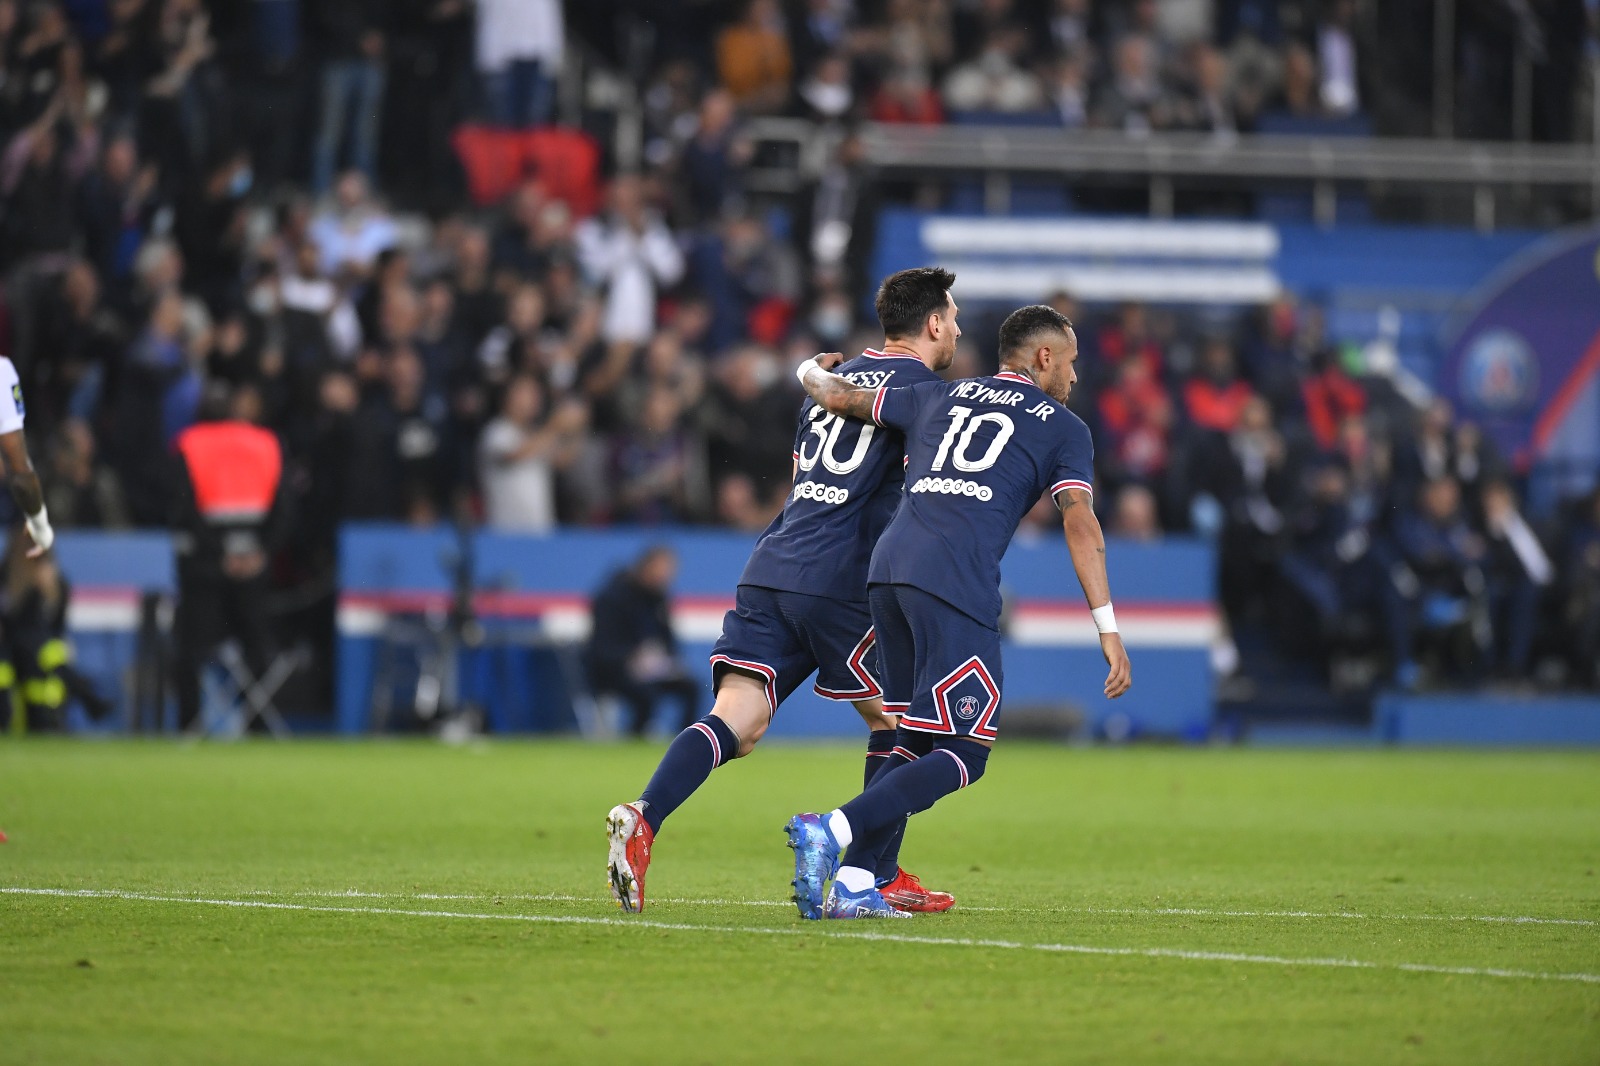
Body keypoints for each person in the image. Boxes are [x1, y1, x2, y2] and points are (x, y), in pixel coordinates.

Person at [604, 267, 958, 916]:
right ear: (934, 323)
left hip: (772, 563)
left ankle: (645, 815)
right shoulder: (926, 392)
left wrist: (804, 372)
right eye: (953, 318)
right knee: (905, 724)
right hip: (842, 581)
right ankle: (869, 877)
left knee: (738, 718)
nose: (957, 329)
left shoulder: (824, 378)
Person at [787, 303, 1132, 919]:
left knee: (910, 740)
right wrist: (1108, 627)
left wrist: (806, 370)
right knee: (965, 752)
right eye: (1072, 362)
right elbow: (1080, 521)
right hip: (955, 580)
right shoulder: (1063, 426)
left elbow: (836, 396)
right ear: (1045, 357)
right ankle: (832, 831)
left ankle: (857, 883)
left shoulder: (936, 395)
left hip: (888, 573)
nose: (1075, 378)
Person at [170, 385, 285, 731]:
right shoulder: (265, 443)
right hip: (253, 568)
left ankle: (191, 726)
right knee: (257, 650)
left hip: (206, 568)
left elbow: (182, 511)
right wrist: (260, 552)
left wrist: (221, 555)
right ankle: (258, 726)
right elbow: (284, 510)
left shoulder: (189, 445)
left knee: (191, 649)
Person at [585, 545, 700, 739]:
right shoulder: (611, 597)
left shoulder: (658, 599)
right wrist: (633, 657)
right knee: (646, 695)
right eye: (661, 569)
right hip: (613, 670)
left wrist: (667, 661)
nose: (666, 576)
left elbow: (668, 640)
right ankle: (636, 738)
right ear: (645, 566)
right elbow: (602, 647)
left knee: (691, 687)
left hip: (652, 669)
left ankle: (685, 741)